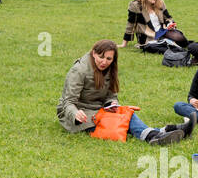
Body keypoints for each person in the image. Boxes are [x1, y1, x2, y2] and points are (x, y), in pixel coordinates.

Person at [56, 39, 184, 144]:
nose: (104, 62)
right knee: (117, 121)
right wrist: (75, 113)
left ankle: (161, 133)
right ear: (94, 53)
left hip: (98, 109)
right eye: (101, 57)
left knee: (127, 113)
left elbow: (111, 95)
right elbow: (68, 102)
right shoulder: (79, 70)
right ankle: (158, 134)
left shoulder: (110, 69)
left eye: (108, 59)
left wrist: (112, 104)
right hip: (79, 113)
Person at [122, 0, 198, 60]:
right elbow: (130, 25)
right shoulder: (135, 6)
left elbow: (168, 18)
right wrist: (124, 44)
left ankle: (193, 47)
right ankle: (180, 50)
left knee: (179, 37)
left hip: (163, 31)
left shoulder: (160, 2)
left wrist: (169, 24)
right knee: (153, 47)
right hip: (149, 36)